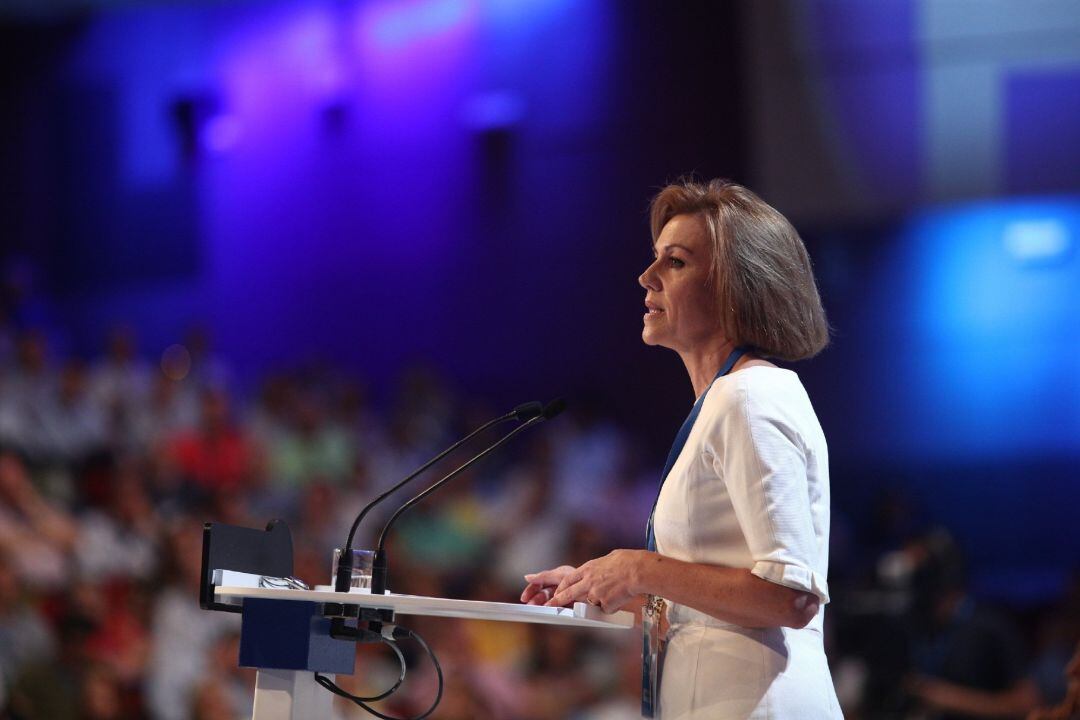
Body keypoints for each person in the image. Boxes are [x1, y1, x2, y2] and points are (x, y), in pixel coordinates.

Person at [521, 179, 841, 718]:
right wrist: (604, 581)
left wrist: (641, 568)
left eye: (675, 263)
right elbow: (723, 597)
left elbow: (791, 597)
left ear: (735, 287)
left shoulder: (750, 396)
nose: (646, 278)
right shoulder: (724, 400)